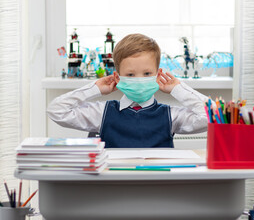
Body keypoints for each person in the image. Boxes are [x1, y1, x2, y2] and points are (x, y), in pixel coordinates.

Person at [47, 33, 209, 148]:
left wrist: (178, 89)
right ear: (118, 78)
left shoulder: (171, 115)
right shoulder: (102, 112)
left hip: (157, 186)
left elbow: (211, 117)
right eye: (130, 74)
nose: (139, 79)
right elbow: (57, 110)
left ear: (158, 75)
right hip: (113, 185)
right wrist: (94, 89)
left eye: (147, 74)